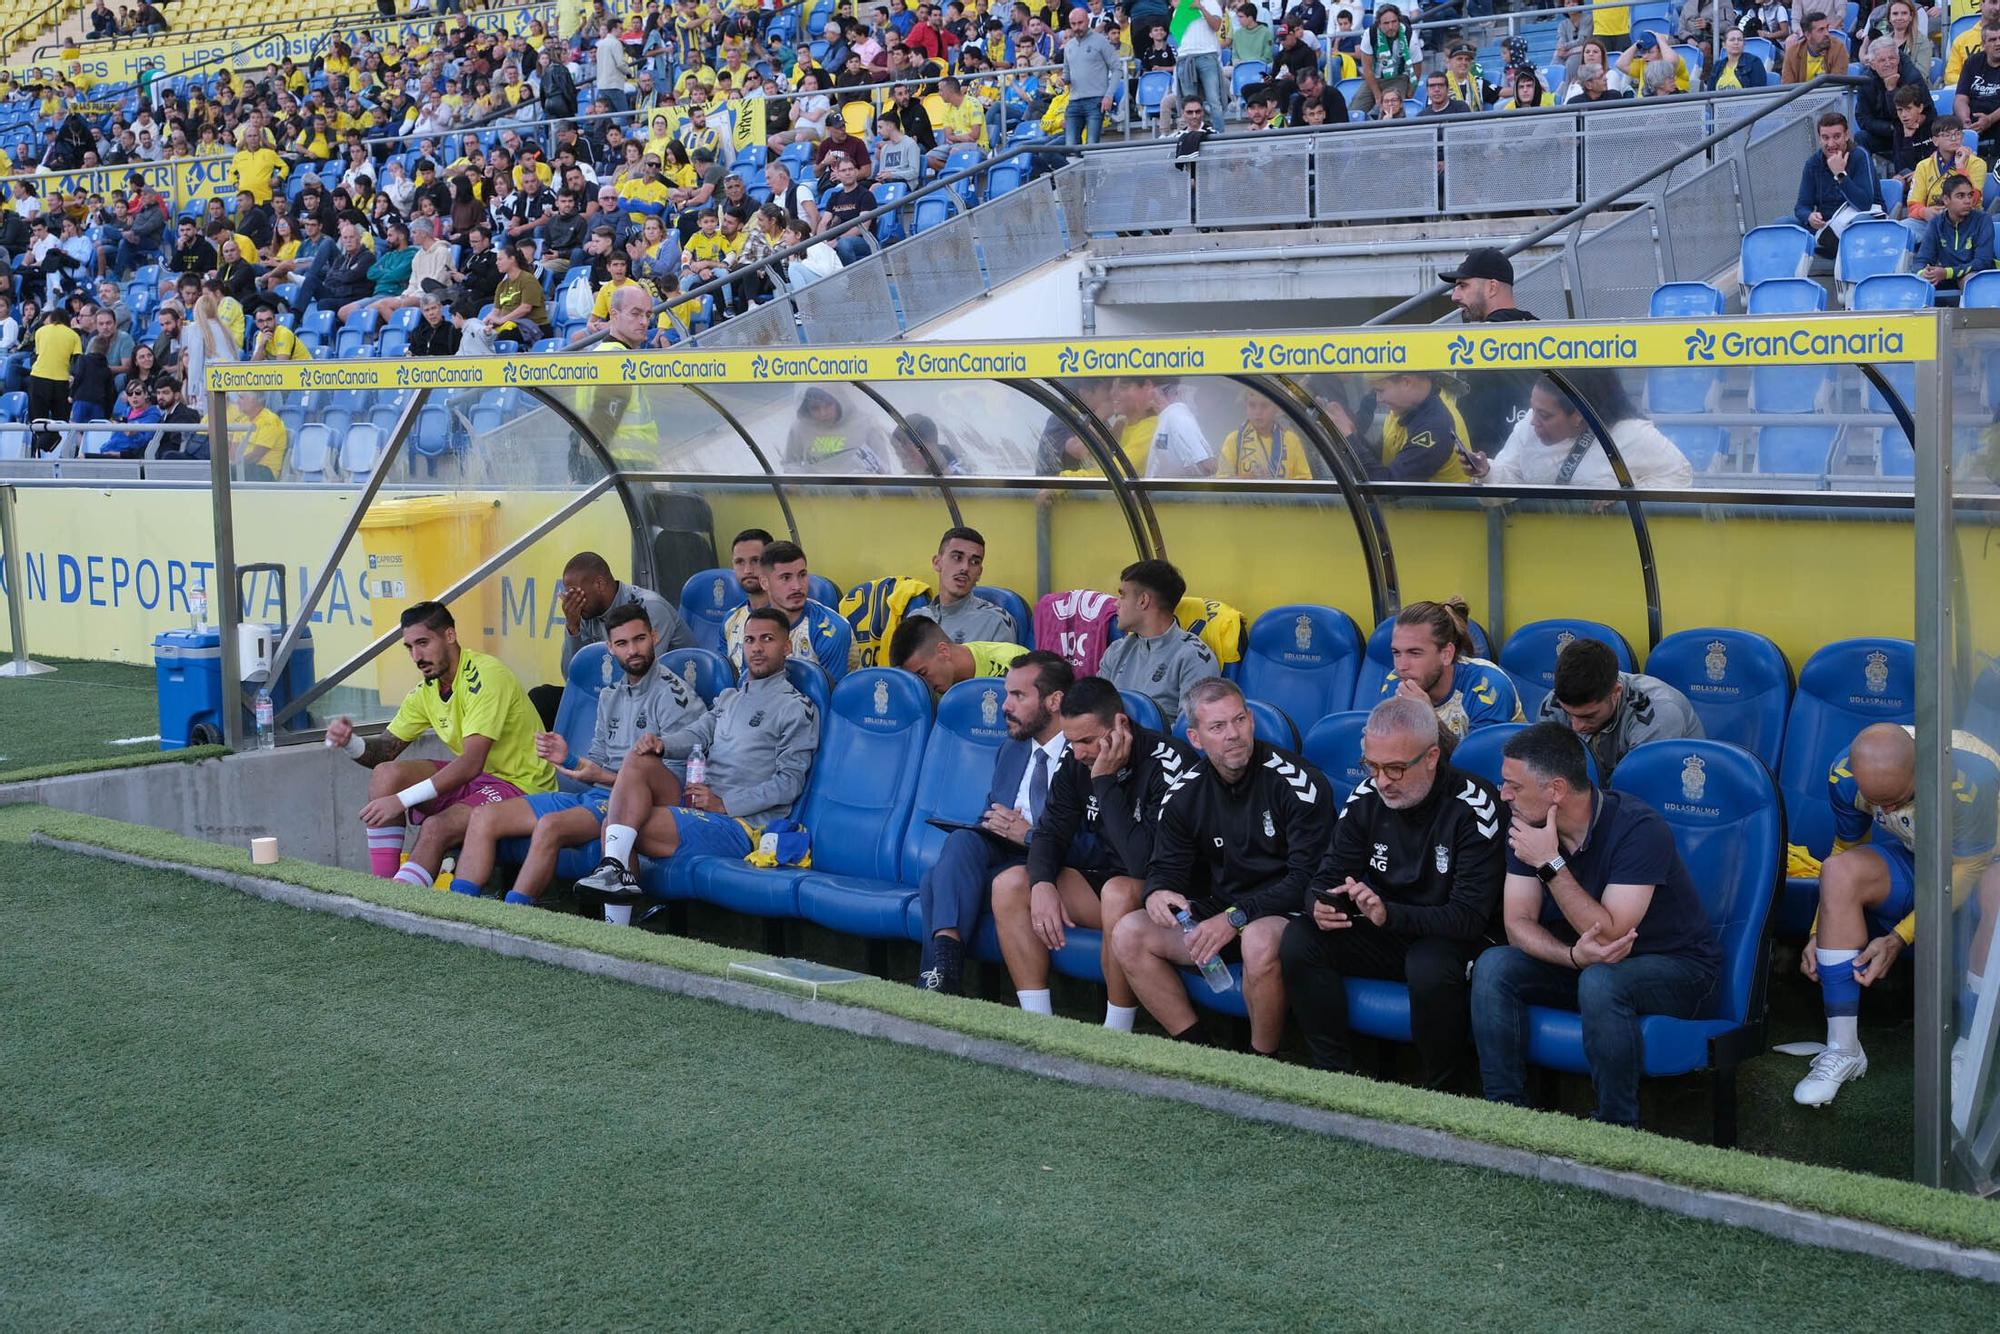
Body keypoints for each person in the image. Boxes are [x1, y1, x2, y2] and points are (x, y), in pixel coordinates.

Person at [1472, 722, 1722, 1128]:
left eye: (1513, 786)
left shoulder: (1640, 829)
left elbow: (1610, 936)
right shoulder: (1528, 825)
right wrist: (1570, 957)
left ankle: (1616, 1127)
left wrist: (1550, 863)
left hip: (1680, 970)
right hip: (1590, 963)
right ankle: (1504, 1116)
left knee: (1603, 981)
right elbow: (1517, 923)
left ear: (1555, 790)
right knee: (1495, 965)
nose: (1504, 795)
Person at [1281, 696, 1506, 1088]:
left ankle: (1445, 1092)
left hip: (1454, 936)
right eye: (1373, 766)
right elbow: (1325, 875)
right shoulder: (1367, 796)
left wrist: (1388, 914)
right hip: (1385, 926)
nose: (1382, 780)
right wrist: (1320, 904)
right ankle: (1334, 1079)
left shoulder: (1474, 805)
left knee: (1429, 964)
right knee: (1301, 938)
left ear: (1432, 756)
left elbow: (1470, 916)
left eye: (1396, 769)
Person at [1111, 678, 1334, 1049]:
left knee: (1259, 941)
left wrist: (1236, 917)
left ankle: (1260, 1059)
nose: (1233, 734)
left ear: (1251, 721)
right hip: (1222, 911)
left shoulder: (1298, 783)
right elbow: (1165, 866)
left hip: (1285, 913)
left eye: (1239, 721)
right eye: (1217, 727)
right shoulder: (1184, 793)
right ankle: (1200, 1050)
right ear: (1196, 739)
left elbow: (1307, 879)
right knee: (1129, 933)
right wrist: (1157, 891)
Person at [1794, 723, 2000, 1105]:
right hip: (1921, 858)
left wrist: (1898, 937)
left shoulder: (1972, 776)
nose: (1887, 811)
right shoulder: (1843, 774)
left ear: (1922, 768)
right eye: (1879, 804)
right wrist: (1816, 930)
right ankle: (1844, 1048)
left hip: (1981, 863)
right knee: (1838, 872)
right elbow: (1845, 846)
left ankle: (1969, 1050)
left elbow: (1968, 869)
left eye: (1897, 799)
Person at [453, 603, 707, 905]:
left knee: (550, 826)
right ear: (610, 648)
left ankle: (514, 915)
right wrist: (567, 758)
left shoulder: (673, 693)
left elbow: (675, 779)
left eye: (639, 639)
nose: (633, 650)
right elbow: (596, 762)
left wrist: (599, 776)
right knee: (484, 817)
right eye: (623, 643)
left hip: (637, 805)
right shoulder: (610, 695)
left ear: (653, 636)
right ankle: (459, 912)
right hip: (596, 796)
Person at [573, 607, 820, 916]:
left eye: (767, 639)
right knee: (640, 759)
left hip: (740, 825)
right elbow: (697, 733)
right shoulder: (730, 697)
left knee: (617, 825)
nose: (756, 648)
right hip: (701, 806)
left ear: (786, 647)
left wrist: (724, 803)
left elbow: (789, 784)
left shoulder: (796, 707)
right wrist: (662, 744)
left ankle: (615, 919)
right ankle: (613, 872)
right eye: (750, 640)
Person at [993, 675, 1193, 1026]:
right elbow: (1051, 831)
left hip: (1167, 891)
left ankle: (1115, 1031)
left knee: (1118, 891)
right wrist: (1041, 883)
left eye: (1088, 740)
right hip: (1102, 879)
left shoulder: (1169, 762)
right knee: (1011, 884)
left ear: (1120, 724)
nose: (1079, 752)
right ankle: (1039, 1026)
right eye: (1072, 741)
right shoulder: (1076, 758)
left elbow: (1143, 864)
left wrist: (1104, 781)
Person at [324, 601, 556, 888]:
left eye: (423, 642)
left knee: (436, 826)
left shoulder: (486, 676)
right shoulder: (428, 689)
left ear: (449, 636)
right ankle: (382, 889)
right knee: (386, 774)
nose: (416, 656)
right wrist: (351, 743)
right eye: (409, 647)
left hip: (524, 786)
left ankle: (401, 903)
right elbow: (384, 752)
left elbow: (471, 763)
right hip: (483, 782)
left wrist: (401, 800)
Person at [916, 651, 1075, 992]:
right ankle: (945, 971)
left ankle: (938, 981)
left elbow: (1093, 842)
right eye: (1006, 694)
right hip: (1004, 855)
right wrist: (993, 825)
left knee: (935, 880)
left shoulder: (1083, 751)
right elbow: (991, 815)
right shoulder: (1012, 748)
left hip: (1055, 865)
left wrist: (1030, 836)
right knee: (961, 841)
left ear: (1054, 701)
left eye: (1018, 696)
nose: (1005, 706)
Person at [1483, 372, 1695, 489]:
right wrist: (1486, 471)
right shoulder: (1529, 425)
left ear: (1578, 416)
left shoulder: (1631, 434)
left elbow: (1680, 475)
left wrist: (1627, 497)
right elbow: (1512, 478)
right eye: (1533, 409)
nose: (1532, 422)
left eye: (1545, 415)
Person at [1535, 638, 1704, 778]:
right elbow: (1545, 773)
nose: (1576, 726)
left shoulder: (1659, 712)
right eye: (1569, 714)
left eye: (1589, 716)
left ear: (1615, 692)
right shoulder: (1554, 703)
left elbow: (1642, 788)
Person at [1372, 597, 1522, 741]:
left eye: (1415, 653)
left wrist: (1428, 718)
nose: (1401, 667)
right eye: (1396, 653)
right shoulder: (1394, 683)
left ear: (1446, 654)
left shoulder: (1487, 686)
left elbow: (1478, 764)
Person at [1442, 247, 1538, 457]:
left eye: (1463, 285)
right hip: (1525, 468)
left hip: (1493, 473)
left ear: (1492, 287)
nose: (1454, 296)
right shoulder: (1538, 329)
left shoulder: (1479, 341)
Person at [1095, 558, 1218, 722]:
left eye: (1122, 595)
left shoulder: (1193, 657)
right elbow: (1093, 711)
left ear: (1143, 601)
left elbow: (1193, 731)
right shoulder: (1116, 651)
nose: (1116, 604)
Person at [721, 539, 852, 681]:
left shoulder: (831, 629)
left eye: (802, 575)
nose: (797, 586)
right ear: (764, 582)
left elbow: (831, 698)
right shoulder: (754, 626)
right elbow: (748, 685)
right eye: (786, 578)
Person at [1326, 371, 1482, 482]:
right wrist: (1351, 433)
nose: (1379, 399)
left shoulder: (1437, 426)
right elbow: (1378, 462)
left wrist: (1347, 438)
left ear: (1407, 382)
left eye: (1380, 391)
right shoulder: (1403, 409)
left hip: (1438, 523)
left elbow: (1385, 487)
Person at [906, 526, 1020, 642]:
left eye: (974, 562)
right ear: (937, 562)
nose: (965, 568)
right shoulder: (916, 618)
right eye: (957, 557)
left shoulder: (995, 622)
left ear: (979, 573)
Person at [888, 615, 1028, 695]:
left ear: (944, 651)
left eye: (923, 673)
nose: (924, 685)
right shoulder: (925, 693)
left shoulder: (1015, 662)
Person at [1916, 172, 1996, 296]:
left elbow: (1982, 262)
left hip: (1975, 276)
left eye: (1970, 195)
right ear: (1946, 200)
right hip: (1945, 277)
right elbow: (1921, 260)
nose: (1968, 201)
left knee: (1970, 281)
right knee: (1919, 282)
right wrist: (1925, 273)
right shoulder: (1936, 223)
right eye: (1960, 196)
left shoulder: (1983, 220)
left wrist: (1947, 272)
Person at [1856, 36, 1930, 159]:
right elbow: (1863, 118)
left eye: (1892, 58)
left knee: (1903, 135)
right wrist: (1891, 128)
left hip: (1914, 131)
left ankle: (1902, 174)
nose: (1888, 64)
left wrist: (1891, 90)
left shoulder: (1912, 76)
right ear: (1873, 65)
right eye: (1882, 60)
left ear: (1898, 58)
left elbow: (1926, 112)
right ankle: (1869, 176)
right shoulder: (1865, 81)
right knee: (1860, 137)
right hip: (1886, 132)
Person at [1217, 387, 1309, 479]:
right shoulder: (1234, 439)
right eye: (1252, 405)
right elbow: (1221, 483)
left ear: (1276, 408)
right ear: (1246, 407)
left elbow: (1305, 482)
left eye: (1264, 405)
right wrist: (1249, 478)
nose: (1258, 412)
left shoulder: (1291, 440)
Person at [26, 308, 79, 454]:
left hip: (38, 377)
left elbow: (38, 354)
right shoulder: (73, 335)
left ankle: (39, 451)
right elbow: (77, 359)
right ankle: (55, 449)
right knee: (61, 421)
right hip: (61, 380)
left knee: (37, 420)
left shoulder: (40, 331)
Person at [1172, 0, 1227, 135]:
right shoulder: (1179, 8)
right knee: (1189, 103)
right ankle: (1192, 135)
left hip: (1207, 55)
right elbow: (1177, 34)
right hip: (1185, 58)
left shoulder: (1211, 3)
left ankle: (1219, 135)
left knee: (1214, 100)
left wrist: (1201, 8)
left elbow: (1216, 25)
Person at [1955, 24, 2000, 149]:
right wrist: (1964, 119)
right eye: (1992, 40)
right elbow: (1961, 98)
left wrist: (1990, 119)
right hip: (1974, 119)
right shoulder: (1972, 62)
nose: (1998, 43)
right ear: (1983, 44)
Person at [1783, 10, 1853, 83]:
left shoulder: (1838, 48)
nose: (1827, 33)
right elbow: (1787, 86)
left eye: (1827, 28)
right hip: (1802, 94)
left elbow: (1837, 84)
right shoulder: (1792, 53)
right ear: (1807, 35)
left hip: (1830, 93)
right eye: (1821, 30)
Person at [231, 391, 288, 480]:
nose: (237, 402)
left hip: (264, 472)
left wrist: (234, 466)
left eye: (241, 398)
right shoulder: (242, 420)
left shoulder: (270, 421)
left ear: (255, 401)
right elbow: (233, 451)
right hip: (243, 467)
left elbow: (255, 456)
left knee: (226, 473)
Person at [1707, 27, 1772, 89]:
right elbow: (1710, 93)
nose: (1736, 42)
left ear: (1744, 44)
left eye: (1740, 40)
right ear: (1724, 45)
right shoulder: (1717, 66)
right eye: (1732, 40)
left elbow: (1758, 92)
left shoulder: (1754, 62)